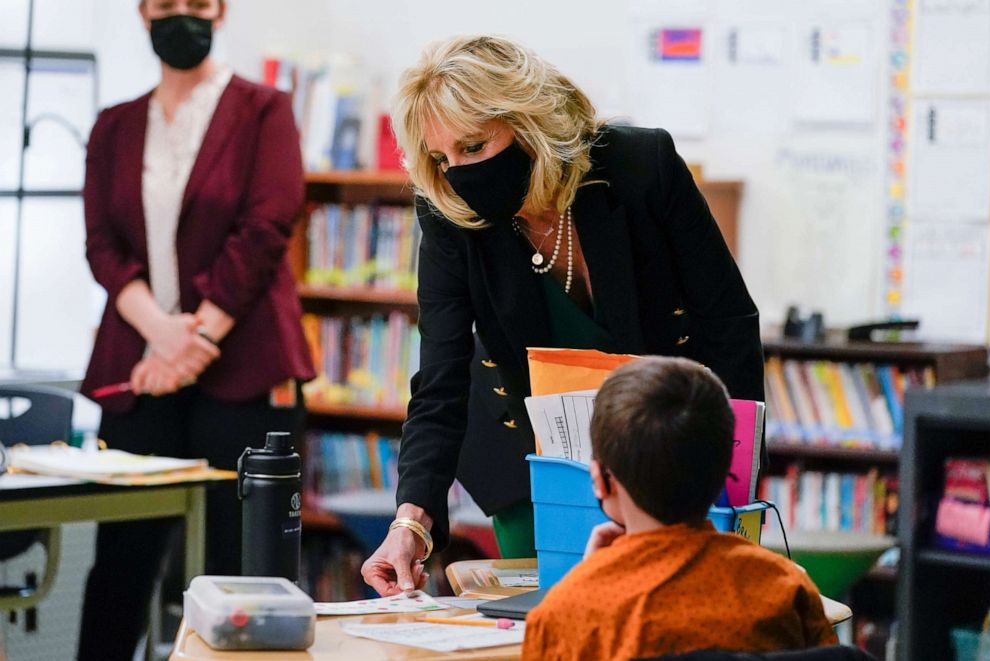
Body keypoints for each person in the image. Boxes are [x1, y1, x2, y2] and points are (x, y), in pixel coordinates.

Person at [361, 35, 764, 596]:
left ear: (528, 122)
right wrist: (411, 523)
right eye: (441, 157)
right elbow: (440, 377)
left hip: (662, 452)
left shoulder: (639, 167)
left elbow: (728, 324)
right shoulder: (449, 213)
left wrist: (734, 485)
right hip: (529, 465)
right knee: (550, 622)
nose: (458, 173)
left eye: (474, 146)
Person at [77, 1, 314, 658]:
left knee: (239, 569)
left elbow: (265, 230)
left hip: (242, 365)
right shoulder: (113, 125)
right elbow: (101, 244)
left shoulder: (264, 110)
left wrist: (193, 341)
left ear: (220, 11)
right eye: (167, 4)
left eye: (197, 4)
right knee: (120, 565)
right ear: (143, 12)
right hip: (139, 366)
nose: (182, 14)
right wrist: (161, 332)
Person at [521, 357, 837, 660]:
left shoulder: (563, 616)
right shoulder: (785, 588)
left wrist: (587, 580)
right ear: (726, 466)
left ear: (601, 481)